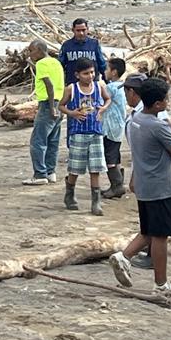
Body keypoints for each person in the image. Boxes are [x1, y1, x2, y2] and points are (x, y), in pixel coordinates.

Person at [107, 78, 171, 299]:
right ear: (158, 104)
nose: (168, 103)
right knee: (160, 235)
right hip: (161, 186)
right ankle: (161, 283)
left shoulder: (134, 120)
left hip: (144, 183)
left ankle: (124, 256)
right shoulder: (158, 126)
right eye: (166, 100)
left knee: (149, 230)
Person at [59, 57, 110, 215]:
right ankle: (69, 193)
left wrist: (103, 109)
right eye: (86, 73)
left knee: (95, 168)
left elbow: (108, 99)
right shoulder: (72, 89)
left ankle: (96, 202)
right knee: (75, 168)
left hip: (96, 132)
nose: (90, 76)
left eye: (92, 72)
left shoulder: (99, 86)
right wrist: (72, 113)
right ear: (77, 75)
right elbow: (61, 105)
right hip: (78, 133)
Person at [23, 40, 63, 185]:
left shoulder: (42, 64)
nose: (30, 54)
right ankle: (50, 172)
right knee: (53, 140)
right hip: (59, 102)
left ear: (40, 50)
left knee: (38, 141)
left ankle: (40, 174)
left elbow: (49, 85)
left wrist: (51, 107)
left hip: (48, 104)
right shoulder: (56, 62)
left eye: (31, 51)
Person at [101, 58, 129, 199]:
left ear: (114, 72)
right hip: (118, 126)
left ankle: (117, 186)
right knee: (115, 155)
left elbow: (100, 100)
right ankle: (118, 184)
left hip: (110, 128)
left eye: (107, 69)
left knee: (110, 158)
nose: (104, 71)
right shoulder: (122, 86)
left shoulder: (111, 88)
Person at [58, 18, 106, 84]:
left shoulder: (94, 44)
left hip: (92, 84)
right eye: (78, 30)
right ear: (73, 30)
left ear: (87, 29)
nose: (81, 33)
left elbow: (101, 64)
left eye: (83, 30)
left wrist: (107, 79)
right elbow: (60, 65)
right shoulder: (67, 45)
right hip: (73, 84)